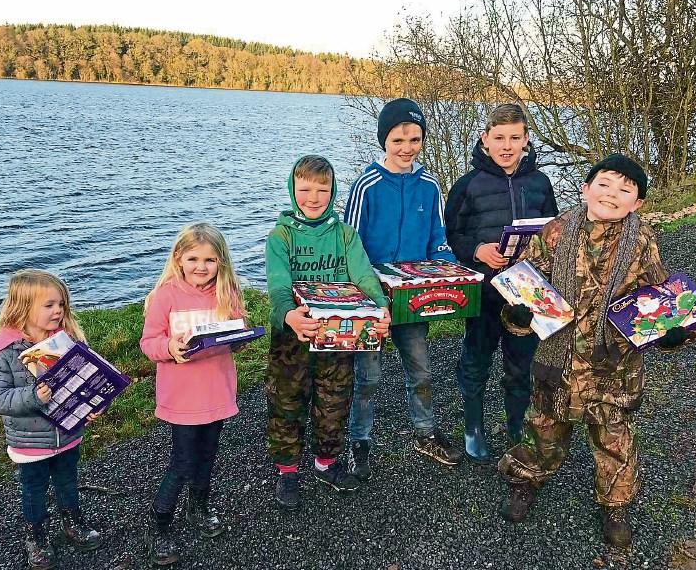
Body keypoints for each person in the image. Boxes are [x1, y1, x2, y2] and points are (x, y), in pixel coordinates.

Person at [497, 154, 692, 546]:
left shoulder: (641, 240)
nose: (612, 194)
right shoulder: (556, 230)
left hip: (614, 364)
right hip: (559, 358)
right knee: (543, 430)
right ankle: (525, 480)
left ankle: (615, 505)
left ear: (637, 203)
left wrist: (671, 331)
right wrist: (518, 313)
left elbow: (659, 295)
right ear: (586, 188)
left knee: (613, 440)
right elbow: (527, 282)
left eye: (625, 189)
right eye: (604, 183)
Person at [344, 98, 463, 480]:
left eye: (415, 138)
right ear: (384, 140)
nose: (407, 147)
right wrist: (365, 291)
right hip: (371, 299)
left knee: (421, 370)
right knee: (369, 377)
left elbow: (438, 238)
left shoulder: (429, 186)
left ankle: (425, 432)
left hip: (413, 298)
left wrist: (447, 269)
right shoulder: (367, 185)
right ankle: (358, 440)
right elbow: (350, 243)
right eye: (398, 139)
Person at [265, 154, 390, 508]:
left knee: (334, 402)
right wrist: (288, 314)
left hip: (340, 337)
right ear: (293, 189)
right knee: (287, 403)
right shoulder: (281, 236)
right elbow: (277, 285)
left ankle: (326, 463)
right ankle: (287, 471)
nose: (314, 198)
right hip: (293, 338)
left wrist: (380, 306)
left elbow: (364, 275)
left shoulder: (345, 235)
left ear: (333, 191)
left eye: (323, 190)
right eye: (305, 190)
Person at [444, 103, 558, 462]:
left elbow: (554, 231)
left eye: (514, 138)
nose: (506, 145)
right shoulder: (467, 185)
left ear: (525, 141)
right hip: (484, 289)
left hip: (526, 291)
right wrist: (478, 250)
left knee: (520, 364)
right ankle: (473, 426)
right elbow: (452, 235)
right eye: (499, 138)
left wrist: (540, 254)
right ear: (485, 139)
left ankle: (516, 427)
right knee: (476, 358)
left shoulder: (540, 183)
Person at [0, 269, 102, 570]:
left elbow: (84, 381)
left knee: (67, 482)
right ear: (23, 308)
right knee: (33, 490)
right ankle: (36, 536)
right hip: (30, 442)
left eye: (61, 304)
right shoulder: (4, 352)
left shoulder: (65, 342)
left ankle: (73, 522)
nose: (58, 310)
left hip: (69, 433)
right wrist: (35, 397)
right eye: (49, 305)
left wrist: (93, 405)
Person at [140, 222, 244, 565]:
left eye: (211, 260)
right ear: (178, 259)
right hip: (181, 398)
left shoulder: (227, 293)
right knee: (182, 462)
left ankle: (198, 507)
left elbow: (237, 334)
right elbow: (148, 342)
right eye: (194, 258)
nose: (202, 267)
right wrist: (169, 346)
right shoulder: (165, 296)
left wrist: (241, 335)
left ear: (222, 262)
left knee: (208, 456)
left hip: (217, 393)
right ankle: (160, 522)